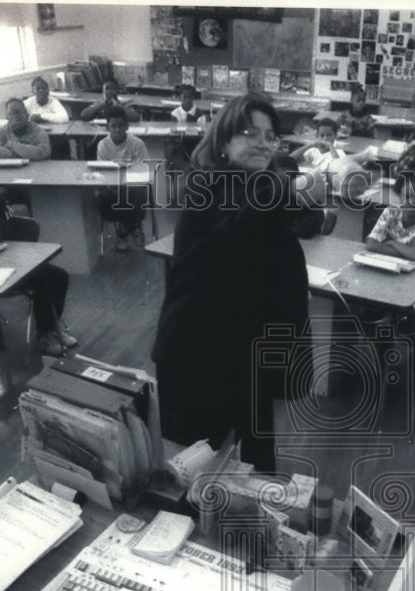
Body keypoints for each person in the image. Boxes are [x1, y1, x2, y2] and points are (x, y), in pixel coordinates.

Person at [151, 91, 323, 473]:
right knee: (195, 471)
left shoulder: (257, 187)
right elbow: (254, 214)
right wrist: (301, 186)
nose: (262, 143)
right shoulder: (211, 187)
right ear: (224, 142)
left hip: (245, 352)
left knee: (257, 465)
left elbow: (298, 218)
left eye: (269, 135)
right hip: (196, 357)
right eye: (250, 133)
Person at [0, 157, 77, 356]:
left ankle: (51, 325)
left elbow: (12, 233)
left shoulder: (0, 200)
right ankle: (43, 336)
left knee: (59, 276)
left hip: (8, 261)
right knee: (42, 281)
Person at [366, 143, 415, 264]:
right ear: (399, 197)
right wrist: (408, 254)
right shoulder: (391, 212)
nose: (412, 202)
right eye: (407, 196)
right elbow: (371, 244)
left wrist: (393, 244)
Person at [95, 105, 150, 250]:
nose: (117, 129)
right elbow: (102, 172)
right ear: (107, 127)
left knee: (136, 195)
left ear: (127, 126)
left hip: (133, 187)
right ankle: (131, 226)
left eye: (121, 126)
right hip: (112, 188)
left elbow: (144, 170)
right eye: (113, 126)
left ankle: (124, 230)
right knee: (102, 198)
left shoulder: (137, 144)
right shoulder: (102, 145)